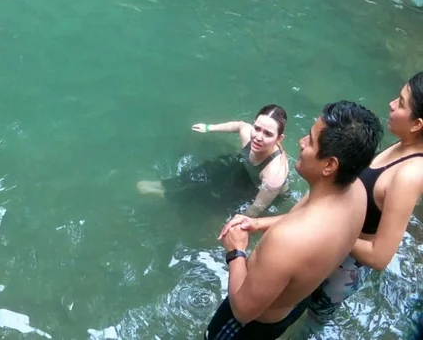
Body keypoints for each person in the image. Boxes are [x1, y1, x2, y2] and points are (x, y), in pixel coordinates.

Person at [208, 101, 382, 340]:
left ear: (330, 165)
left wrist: (236, 252)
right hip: (296, 301)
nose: (301, 142)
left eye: (310, 140)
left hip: (252, 324)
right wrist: (258, 223)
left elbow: (243, 310)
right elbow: (302, 217)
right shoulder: (357, 193)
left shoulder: (288, 241)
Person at [304, 73, 423, 325]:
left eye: (401, 103)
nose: (391, 104)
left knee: (310, 322)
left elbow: (380, 257)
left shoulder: (410, 174)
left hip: (341, 269)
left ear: (417, 124)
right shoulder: (404, 144)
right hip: (332, 247)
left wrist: (329, 226)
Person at [137, 106, 290, 216]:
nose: (258, 137)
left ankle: (166, 194)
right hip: (243, 169)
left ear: (279, 138)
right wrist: (209, 127)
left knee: (207, 195)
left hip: (256, 188)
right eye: (257, 128)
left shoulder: (274, 174)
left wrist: (236, 224)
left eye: (268, 134)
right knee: (206, 170)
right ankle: (164, 184)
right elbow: (239, 125)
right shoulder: (248, 134)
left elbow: (256, 208)